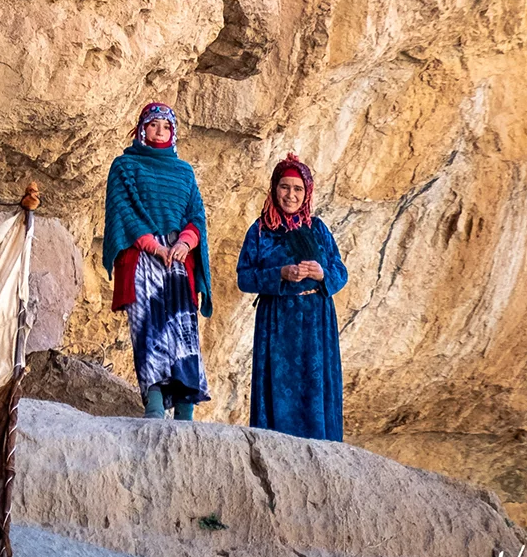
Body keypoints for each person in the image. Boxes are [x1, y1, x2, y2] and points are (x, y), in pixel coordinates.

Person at [103, 102, 213, 420]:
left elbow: (197, 216)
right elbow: (123, 212)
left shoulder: (184, 172)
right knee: (148, 328)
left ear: (173, 132)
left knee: (183, 331)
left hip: (178, 261)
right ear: (141, 128)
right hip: (143, 259)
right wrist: (155, 247)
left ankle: (185, 408)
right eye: (153, 125)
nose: (160, 132)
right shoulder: (124, 166)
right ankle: (153, 402)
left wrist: (184, 242)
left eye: (166, 126)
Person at [235, 154, 348, 440]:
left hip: (316, 322)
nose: (290, 195)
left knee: (315, 386)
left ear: (306, 193)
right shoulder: (260, 231)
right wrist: (280, 274)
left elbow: (340, 271)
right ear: (274, 189)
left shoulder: (318, 229)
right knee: (279, 386)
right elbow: (244, 277)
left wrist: (322, 273)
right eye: (285, 187)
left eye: (297, 189)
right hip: (278, 321)